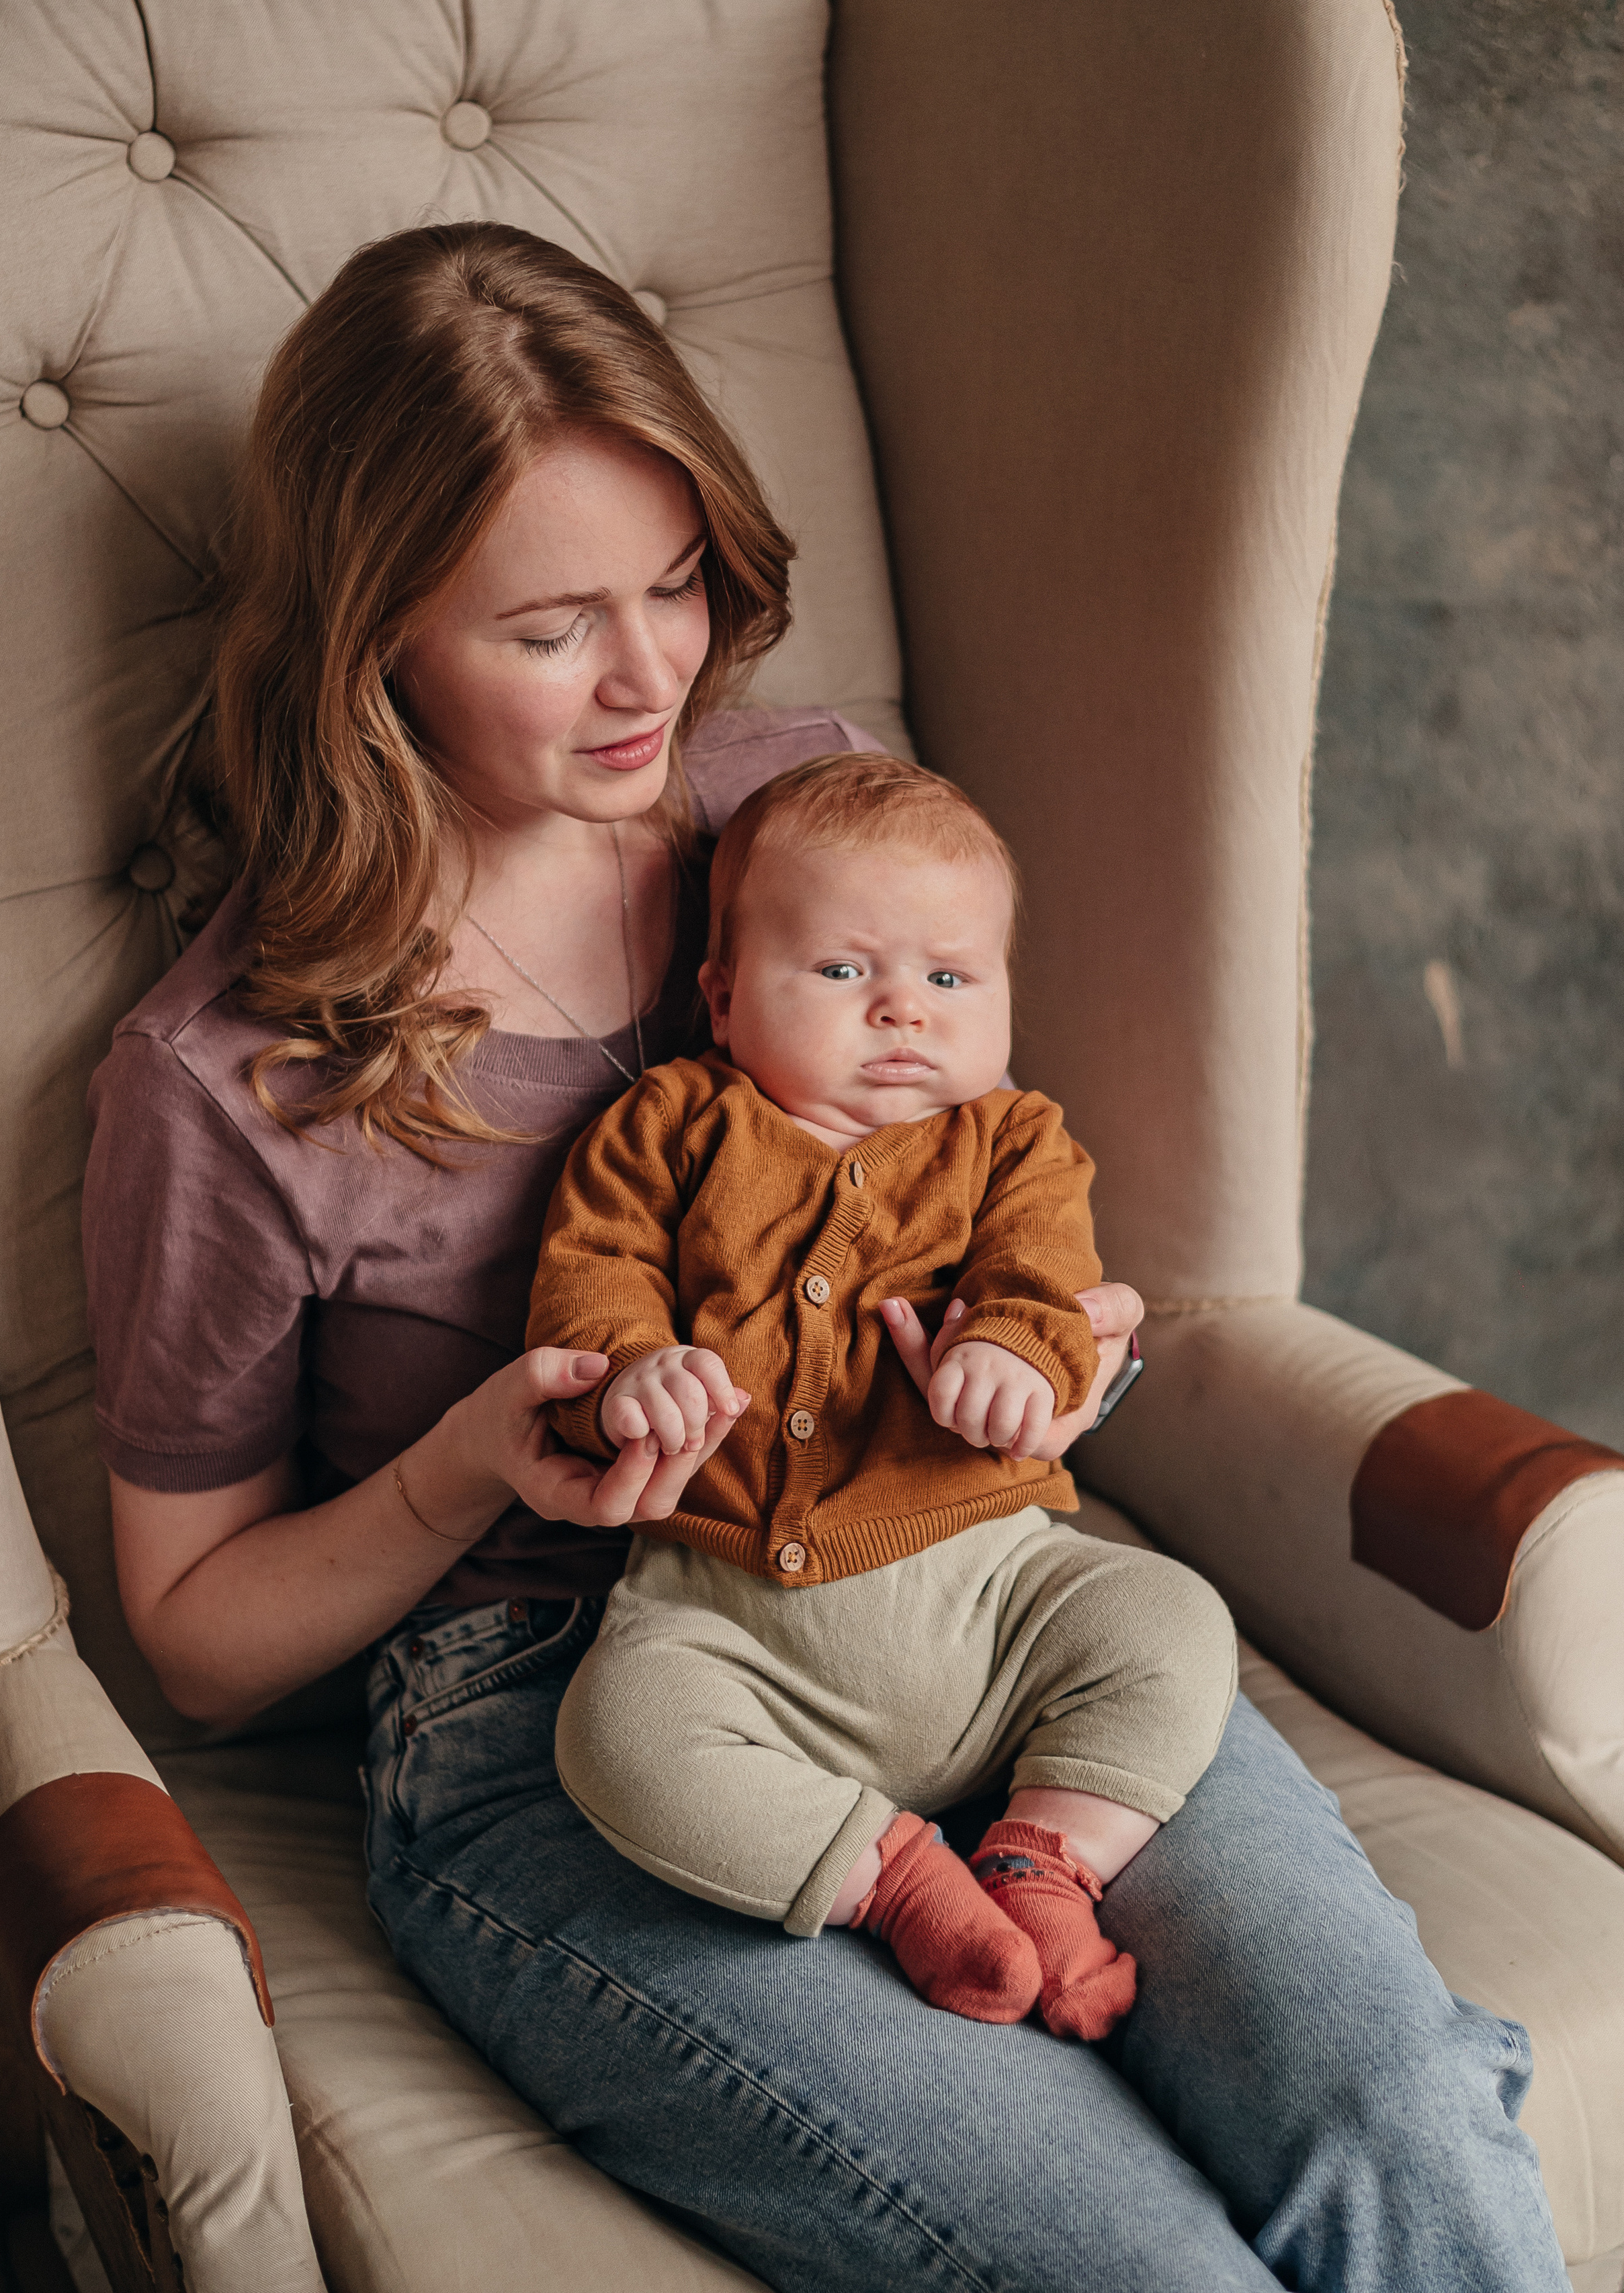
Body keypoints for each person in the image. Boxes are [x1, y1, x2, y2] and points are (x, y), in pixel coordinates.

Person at [84, 220, 1567, 2292]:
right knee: (1137, 2268)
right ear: (373, 631)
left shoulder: (806, 809)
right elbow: (198, 1639)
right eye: (550, 628)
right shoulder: (228, 1071)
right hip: (567, 1712)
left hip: (972, 1572)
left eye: (677, 582)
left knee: (1395, 2119)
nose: (653, 675)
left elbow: (1001, 1180)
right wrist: (463, 1468)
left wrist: (1055, 1355)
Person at [529, 751, 1238, 2036]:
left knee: (1171, 1618)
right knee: (614, 1735)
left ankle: (1044, 1861)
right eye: (847, 972)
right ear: (725, 994)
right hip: (728, 1626)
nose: (904, 1010)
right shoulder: (669, 1124)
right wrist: (633, 1375)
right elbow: (595, 1277)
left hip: (992, 1592)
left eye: (951, 978)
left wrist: (1021, 1354)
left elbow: (1045, 1270)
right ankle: (897, 1877)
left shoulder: (1014, 1138)